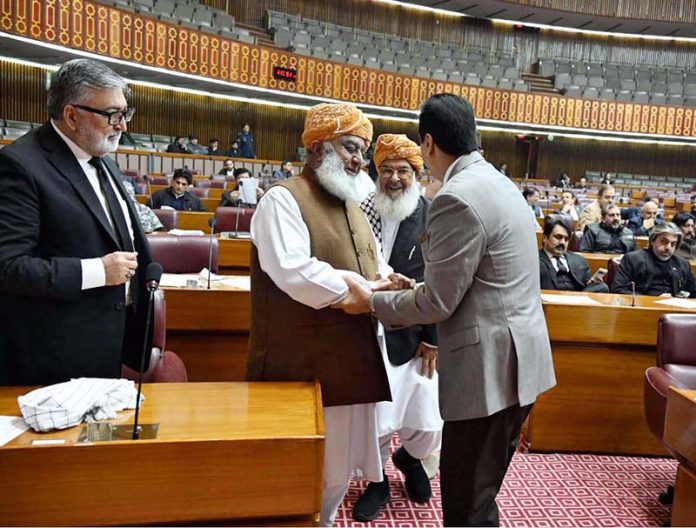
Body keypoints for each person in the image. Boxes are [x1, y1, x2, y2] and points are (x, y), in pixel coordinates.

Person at [332, 93, 556, 527]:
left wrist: (372, 302)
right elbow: (479, 282)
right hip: (520, 364)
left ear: (428, 144)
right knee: (480, 496)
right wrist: (414, 286)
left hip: (488, 375)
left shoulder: (455, 197)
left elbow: (439, 302)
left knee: (465, 507)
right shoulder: (497, 180)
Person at [247, 102, 409, 527]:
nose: (359, 159)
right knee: (300, 471)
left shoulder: (355, 206)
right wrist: (360, 290)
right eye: (350, 147)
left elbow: (370, 264)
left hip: (350, 363)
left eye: (362, 150)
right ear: (318, 148)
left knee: (337, 473)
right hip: (302, 362)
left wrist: (389, 280)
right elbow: (294, 270)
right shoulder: (282, 199)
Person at [0, 58, 153, 386]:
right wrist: (98, 271)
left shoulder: (103, 161)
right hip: (53, 354)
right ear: (71, 115)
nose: (122, 125)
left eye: (126, 113)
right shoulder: (20, 166)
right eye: (112, 114)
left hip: (108, 340)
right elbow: (8, 267)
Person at [354, 134, 442, 522]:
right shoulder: (358, 211)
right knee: (372, 415)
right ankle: (377, 481)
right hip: (365, 331)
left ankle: (411, 458)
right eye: (386, 169)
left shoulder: (433, 216)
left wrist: (433, 339)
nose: (393, 178)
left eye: (403, 171)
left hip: (414, 331)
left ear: (416, 174)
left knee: (426, 417)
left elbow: (444, 282)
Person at [611, 223, 696, 297]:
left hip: (674, 310)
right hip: (643, 308)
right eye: (664, 242)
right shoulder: (633, 259)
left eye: (673, 244)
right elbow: (618, 289)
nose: (668, 248)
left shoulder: (683, 264)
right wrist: (652, 300)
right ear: (652, 241)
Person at [539, 216, 608, 293]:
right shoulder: (535, 261)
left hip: (578, 299)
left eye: (566, 239)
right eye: (558, 237)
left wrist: (593, 283)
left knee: (602, 287)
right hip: (549, 299)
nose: (562, 242)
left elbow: (587, 284)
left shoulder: (579, 260)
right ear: (545, 238)